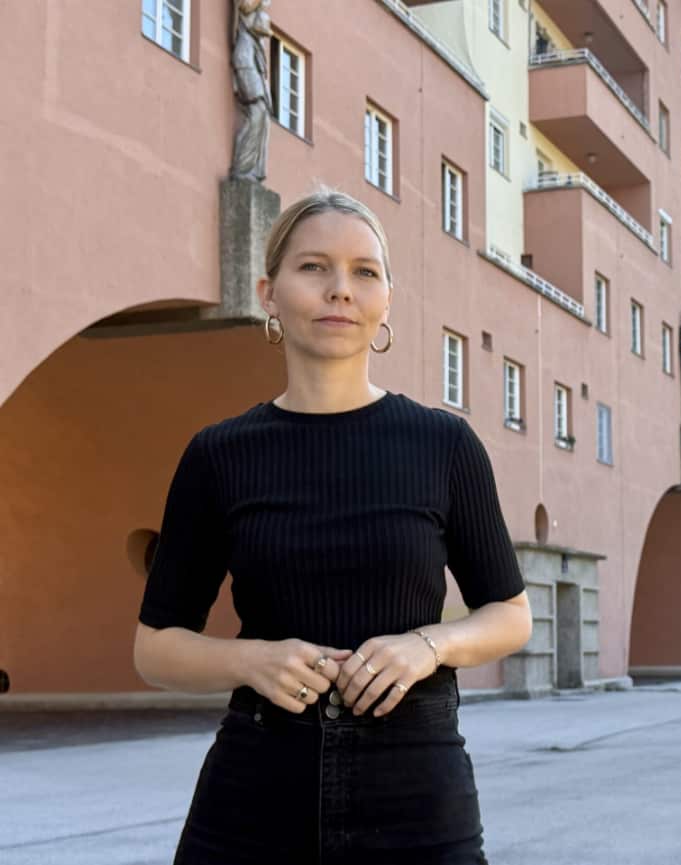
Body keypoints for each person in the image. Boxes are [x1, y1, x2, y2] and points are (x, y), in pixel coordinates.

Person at [134, 187, 533, 864]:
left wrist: (428, 646)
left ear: (386, 300)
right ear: (268, 292)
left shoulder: (444, 444)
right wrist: (249, 659)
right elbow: (155, 646)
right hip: (256, 786)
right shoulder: (219, 455)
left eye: (364, 271)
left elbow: (511, 613)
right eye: (313, 267)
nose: (339, 290)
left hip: (415, 782)